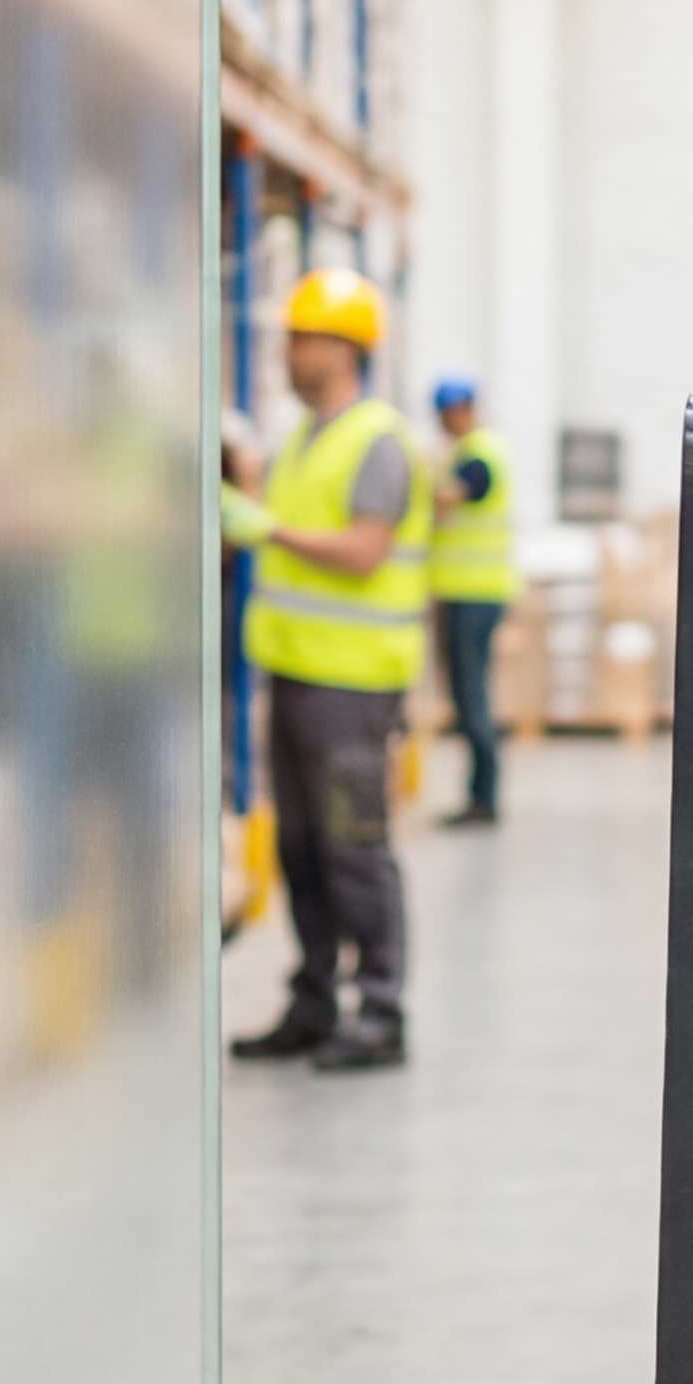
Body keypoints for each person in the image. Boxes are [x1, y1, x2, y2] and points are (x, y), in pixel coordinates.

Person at [228, 268, 429, 1069]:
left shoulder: (376, 439)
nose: (286, 352)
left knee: (354, 844)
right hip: (296, 675)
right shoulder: (302, 439)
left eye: (299, 339)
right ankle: (314, 998)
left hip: (354, 686)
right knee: (301, 850)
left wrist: (263, 529)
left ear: (341, 348)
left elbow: (364, 551)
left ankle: (381, 1011)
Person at [425, 376, 519, 823]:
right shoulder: (467, 452)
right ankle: (480, 797)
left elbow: (451, 497)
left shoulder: (479, 455)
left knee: (472, 698)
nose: (446, 422)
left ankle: (484, 800)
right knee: (468, 697)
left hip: (476, 595)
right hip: (467, 593)